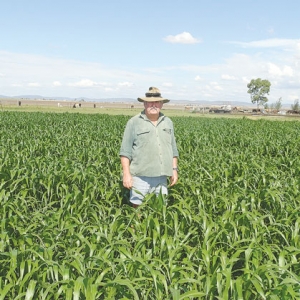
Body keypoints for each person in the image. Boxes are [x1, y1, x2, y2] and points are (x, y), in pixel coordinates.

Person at [120, 86, 179, 206]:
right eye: (150, 102)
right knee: (137, 209)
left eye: (157, 102)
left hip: (161, 177)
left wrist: (174, 170)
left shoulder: (168, 122)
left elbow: (173, 149)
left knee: (160, 209)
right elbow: (125, 152)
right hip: (140, 177)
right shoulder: (134, 122)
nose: (153, 105)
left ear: (161, 104)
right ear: (144, 104)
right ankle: (135, 225)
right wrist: (126, 174)